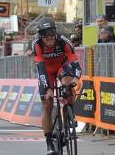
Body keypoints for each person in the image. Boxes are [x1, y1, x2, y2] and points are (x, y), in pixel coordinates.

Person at [32, 17, 82, 155]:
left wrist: (76, 79)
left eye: (51, 33)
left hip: (61, 67)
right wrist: (48, 88)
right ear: (40, 36)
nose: (49, 38)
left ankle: (69, 111)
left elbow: (76, 64)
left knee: (68, 84)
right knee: (47, 104)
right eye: (45, 34)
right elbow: (41, 69)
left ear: (55, 32)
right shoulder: (36, 45)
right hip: (46, 71)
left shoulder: (63, 41)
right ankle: (49, 142)